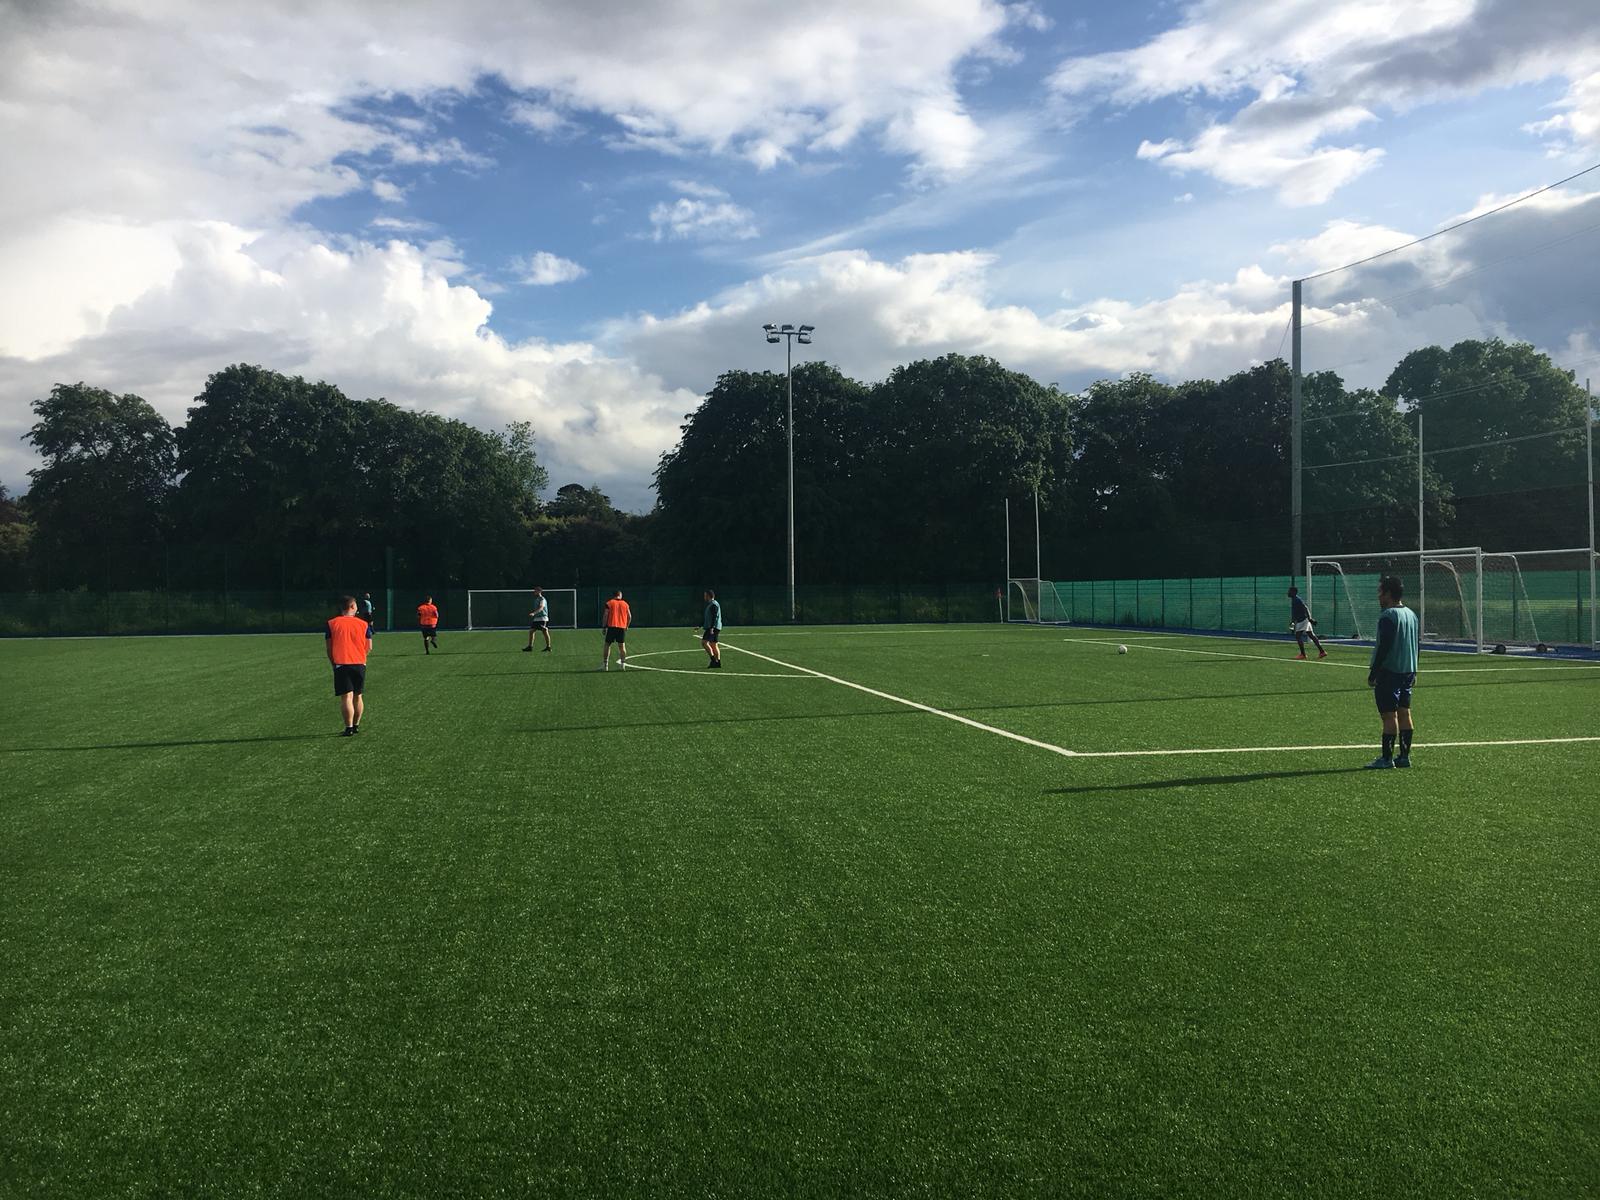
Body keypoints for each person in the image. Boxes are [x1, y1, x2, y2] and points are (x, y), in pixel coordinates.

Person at [1365, 574, 1419, 769]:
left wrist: (1374, 673)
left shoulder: (1388, 616)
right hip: (1408, 670)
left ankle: (1386, 759)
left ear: (1388, 593)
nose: (1378, 596)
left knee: (1389, 715)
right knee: (1405, 713)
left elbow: (1385, 645)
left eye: (1380, 592)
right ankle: (1404, 757)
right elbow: (1417, 645)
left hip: (1389, 671)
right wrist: (1415, 669)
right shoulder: (1412, 615)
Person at [326, 595, 373, 736]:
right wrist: (361, 656)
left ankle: (349, 728)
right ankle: (356, 725)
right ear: (352, 606)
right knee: (358, 696)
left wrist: (334, 662)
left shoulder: (332, 623)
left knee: (346, 697)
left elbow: (329, 647)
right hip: (359, 663)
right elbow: (369, 646)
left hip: (341, 663)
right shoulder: (363, 624)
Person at [1287, 586, 1327, 660]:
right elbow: (1295, 612)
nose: (1288, 593)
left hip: (1302, 620)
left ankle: (1303, 654)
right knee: (1311, 635)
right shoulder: (1294, 600)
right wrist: (1293, 621)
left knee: (1298, 636)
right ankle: (1322, 652)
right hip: (1303, 620)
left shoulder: (1297, 600)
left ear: (1294, 592)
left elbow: (1305, 608)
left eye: (1289, 591)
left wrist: (1310, 618)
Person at [600, 589, 631, 671]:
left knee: (607, 644)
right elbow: (629, 616)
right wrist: (627, 626)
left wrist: (604, 627)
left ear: (614, 595)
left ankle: (605, 665)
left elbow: (606, 615)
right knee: (622, 646)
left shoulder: (609, 603)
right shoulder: (625, 604)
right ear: (620, 595)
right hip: (621, 627)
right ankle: (623, 664)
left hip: (612, 627)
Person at [524, 587, 552, 652]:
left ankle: (548, 647)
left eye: (536, 591)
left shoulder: (542, 599)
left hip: (542, 618)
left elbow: (541, 607)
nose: (534, 592)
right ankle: (530, 647)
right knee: (531, 631)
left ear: (539, 591)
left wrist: (534, 613)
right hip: (537, 619)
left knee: (544, 631)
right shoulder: (537, 599)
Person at [701, 589, 722, 668]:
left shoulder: (713, 605)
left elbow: (714, 617)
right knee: (713, 644)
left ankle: (713, 660)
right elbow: (708, 617)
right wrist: (700, 625)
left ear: (708, 596)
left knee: (704, 642)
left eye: (705, 596)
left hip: (712, 627)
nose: (704, 597)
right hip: (714, 627)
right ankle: (718, 662)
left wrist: (712, 628)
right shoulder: (712, 604)